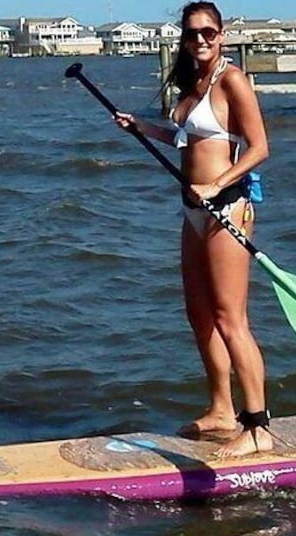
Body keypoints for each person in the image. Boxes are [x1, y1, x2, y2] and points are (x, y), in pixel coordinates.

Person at [113, 1, 271, 458]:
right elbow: (190, 138)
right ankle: (222, 409)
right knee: (199, 316)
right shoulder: (192, 84)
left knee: (230, 319)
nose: (200, 39)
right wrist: (143, 128)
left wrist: (217, 184)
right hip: (192, 210)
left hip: (226, 208)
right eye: (191, 33)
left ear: (221, 34)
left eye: (208, 32)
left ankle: (257, 424)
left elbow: (260, 148)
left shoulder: (232, 80)